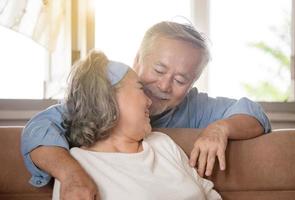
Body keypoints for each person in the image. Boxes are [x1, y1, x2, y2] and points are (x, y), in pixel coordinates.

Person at [21, 21, 271, 199]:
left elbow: (254, 113)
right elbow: (39, 128)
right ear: (138, 59)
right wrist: (73, 176)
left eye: (181, 80)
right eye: (159, 70)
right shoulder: (103, 98)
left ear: (192, 84)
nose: (163, 86)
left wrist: (221, 128)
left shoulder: (194, 108)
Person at [52, 49, 222, 200]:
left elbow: (210, 195)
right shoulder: (76, 166)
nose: (150, 101)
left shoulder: (163, 143)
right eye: (141, 89)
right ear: (108, 97)